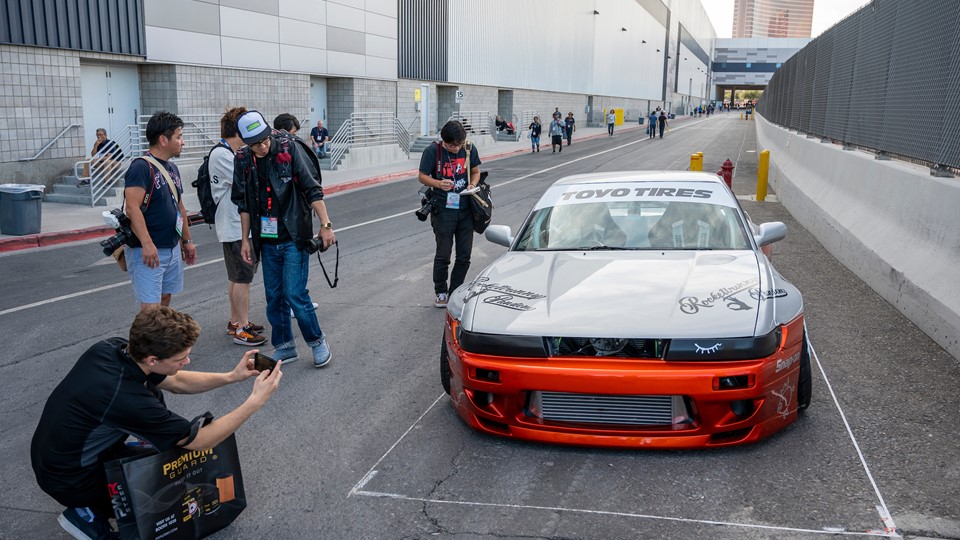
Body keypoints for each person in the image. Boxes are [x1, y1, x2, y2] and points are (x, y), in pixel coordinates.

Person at [31, 307, 282, 540]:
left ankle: (94, 501)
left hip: (62, 455)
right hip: (70, 478)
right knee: (170, 485)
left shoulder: (113, 348)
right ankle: (86, 514)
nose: (187, 362)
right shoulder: (125, 398)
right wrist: (254, 402)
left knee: (166, 457)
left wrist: (232, 376)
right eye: (181, 358)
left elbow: (176, 382)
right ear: (152, 359)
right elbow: (201, 441)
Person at [232, 110, 336, 368]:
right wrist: (245, 240)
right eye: (256, 143)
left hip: (293, 235)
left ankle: (316, 341)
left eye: (265, 139)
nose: (264, 145)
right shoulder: (244, 159)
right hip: (266, 240)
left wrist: (326, 226)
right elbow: (244, 203)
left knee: (295, 294)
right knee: (274, 296)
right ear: (246, 143)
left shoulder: (289, 148)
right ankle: (285, 346)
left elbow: (312, 189)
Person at [123, 111, 197, 311]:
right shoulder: (140, 167)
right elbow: (132, 207)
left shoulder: (172, 168)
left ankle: (158, 341)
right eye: (179, 137)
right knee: (151, 308)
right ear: (164, 140)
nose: (183, 142)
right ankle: (145, 342)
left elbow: (179, 206)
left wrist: (187, 241)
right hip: (149, 251)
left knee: (164, 299)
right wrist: (147, 245)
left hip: (172, 247)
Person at [209, 107, 266, 347]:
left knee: (236, 277)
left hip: (233, 225)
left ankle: (236, 321)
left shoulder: (228, 152)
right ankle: (242, 328)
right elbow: (247, 182)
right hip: (234, 226)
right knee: (242, 278)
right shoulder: (223, 155)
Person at [417, 120, 481, 307]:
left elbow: (476, 172)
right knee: (443, 255)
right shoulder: (433, 151)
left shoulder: (468, 149)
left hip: (466, 210)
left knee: (464, 256)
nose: (456, 148)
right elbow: (422, 176)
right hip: (443, 210)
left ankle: (455, 291)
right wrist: (438, 183)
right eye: (452, 145)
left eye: (459, 144)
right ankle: (441, 292)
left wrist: (472, 184)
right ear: (444, 141)